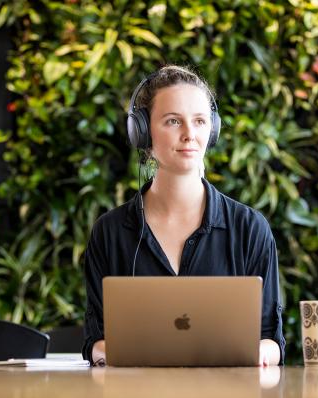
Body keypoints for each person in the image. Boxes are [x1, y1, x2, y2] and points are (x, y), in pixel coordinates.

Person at [82, 65, 285, 367]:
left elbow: (272, 339)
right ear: (142, 132)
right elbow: (95, 341)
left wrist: (254, 354)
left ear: (212, 130)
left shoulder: (249, 228)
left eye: (200, 121)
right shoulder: (110, 232)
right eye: (173, 121)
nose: (190, 134)